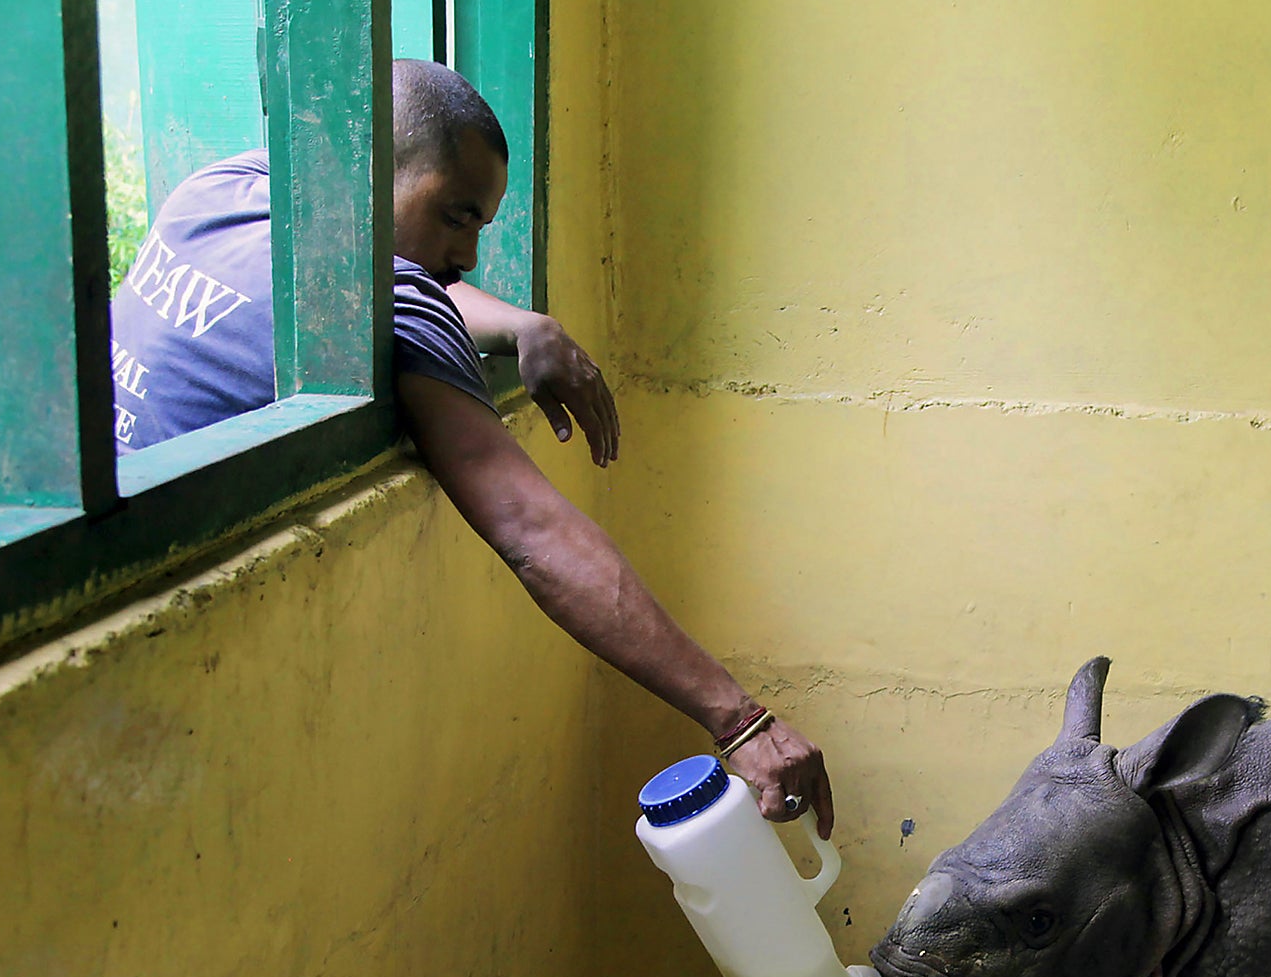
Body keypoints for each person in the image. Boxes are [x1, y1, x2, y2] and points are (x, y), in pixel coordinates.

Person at [109, 60, 833, 834]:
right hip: (149, 689)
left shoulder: (223, 189)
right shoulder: (398, 303)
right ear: (373, 171)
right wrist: (742, 722)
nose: (472, 255)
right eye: (458, 216)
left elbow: (426, 282)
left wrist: (525, 325)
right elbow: (533, 533)